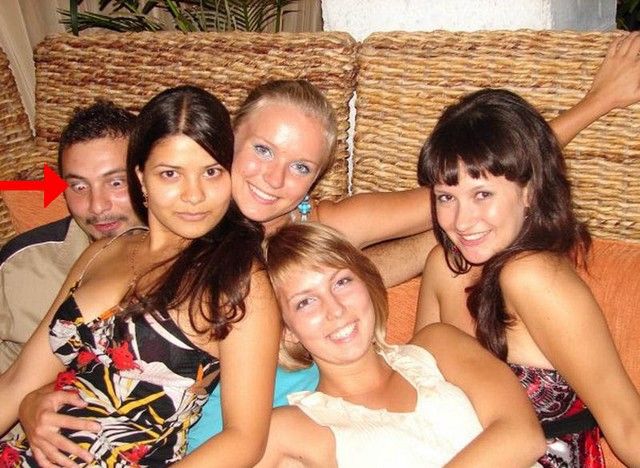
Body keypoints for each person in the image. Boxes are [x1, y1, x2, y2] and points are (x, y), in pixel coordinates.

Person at [19, 31, 640, 463]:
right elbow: (82, 338)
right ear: (228, 139)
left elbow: (474, 185)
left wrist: (596, 104)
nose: (272, 178)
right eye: (262, 150)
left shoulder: (321, 229)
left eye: (300, 168)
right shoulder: (177, 216)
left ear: (316, 180)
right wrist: (30, 401)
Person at [0, 85, 280, 466]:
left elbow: (244, 440)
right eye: (170, 173)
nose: (194, 195)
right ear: (142, 178)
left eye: (211, 172)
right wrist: (28, 404)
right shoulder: (101, 252)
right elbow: (18, 380)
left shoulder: (238, 280)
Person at [414, 88, 640, 466]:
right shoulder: (445, 265)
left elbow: (627, 423)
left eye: (482, 194)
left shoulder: (532, 277)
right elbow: (418, 398)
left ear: (529, 192)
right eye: (446, 197)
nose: (462, 221)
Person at [252, 222, 545, 467]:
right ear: (286, 331)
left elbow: (524, 437)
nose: (336, 310)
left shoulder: (438, 345)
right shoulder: (289, 430)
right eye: (305, 302)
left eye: (341, 282)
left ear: (366, 284)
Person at [0, 100, 140, 374]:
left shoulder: (192, 263)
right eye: (78, 186)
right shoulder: (22, 265)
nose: (97, 206)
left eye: (116, 182)